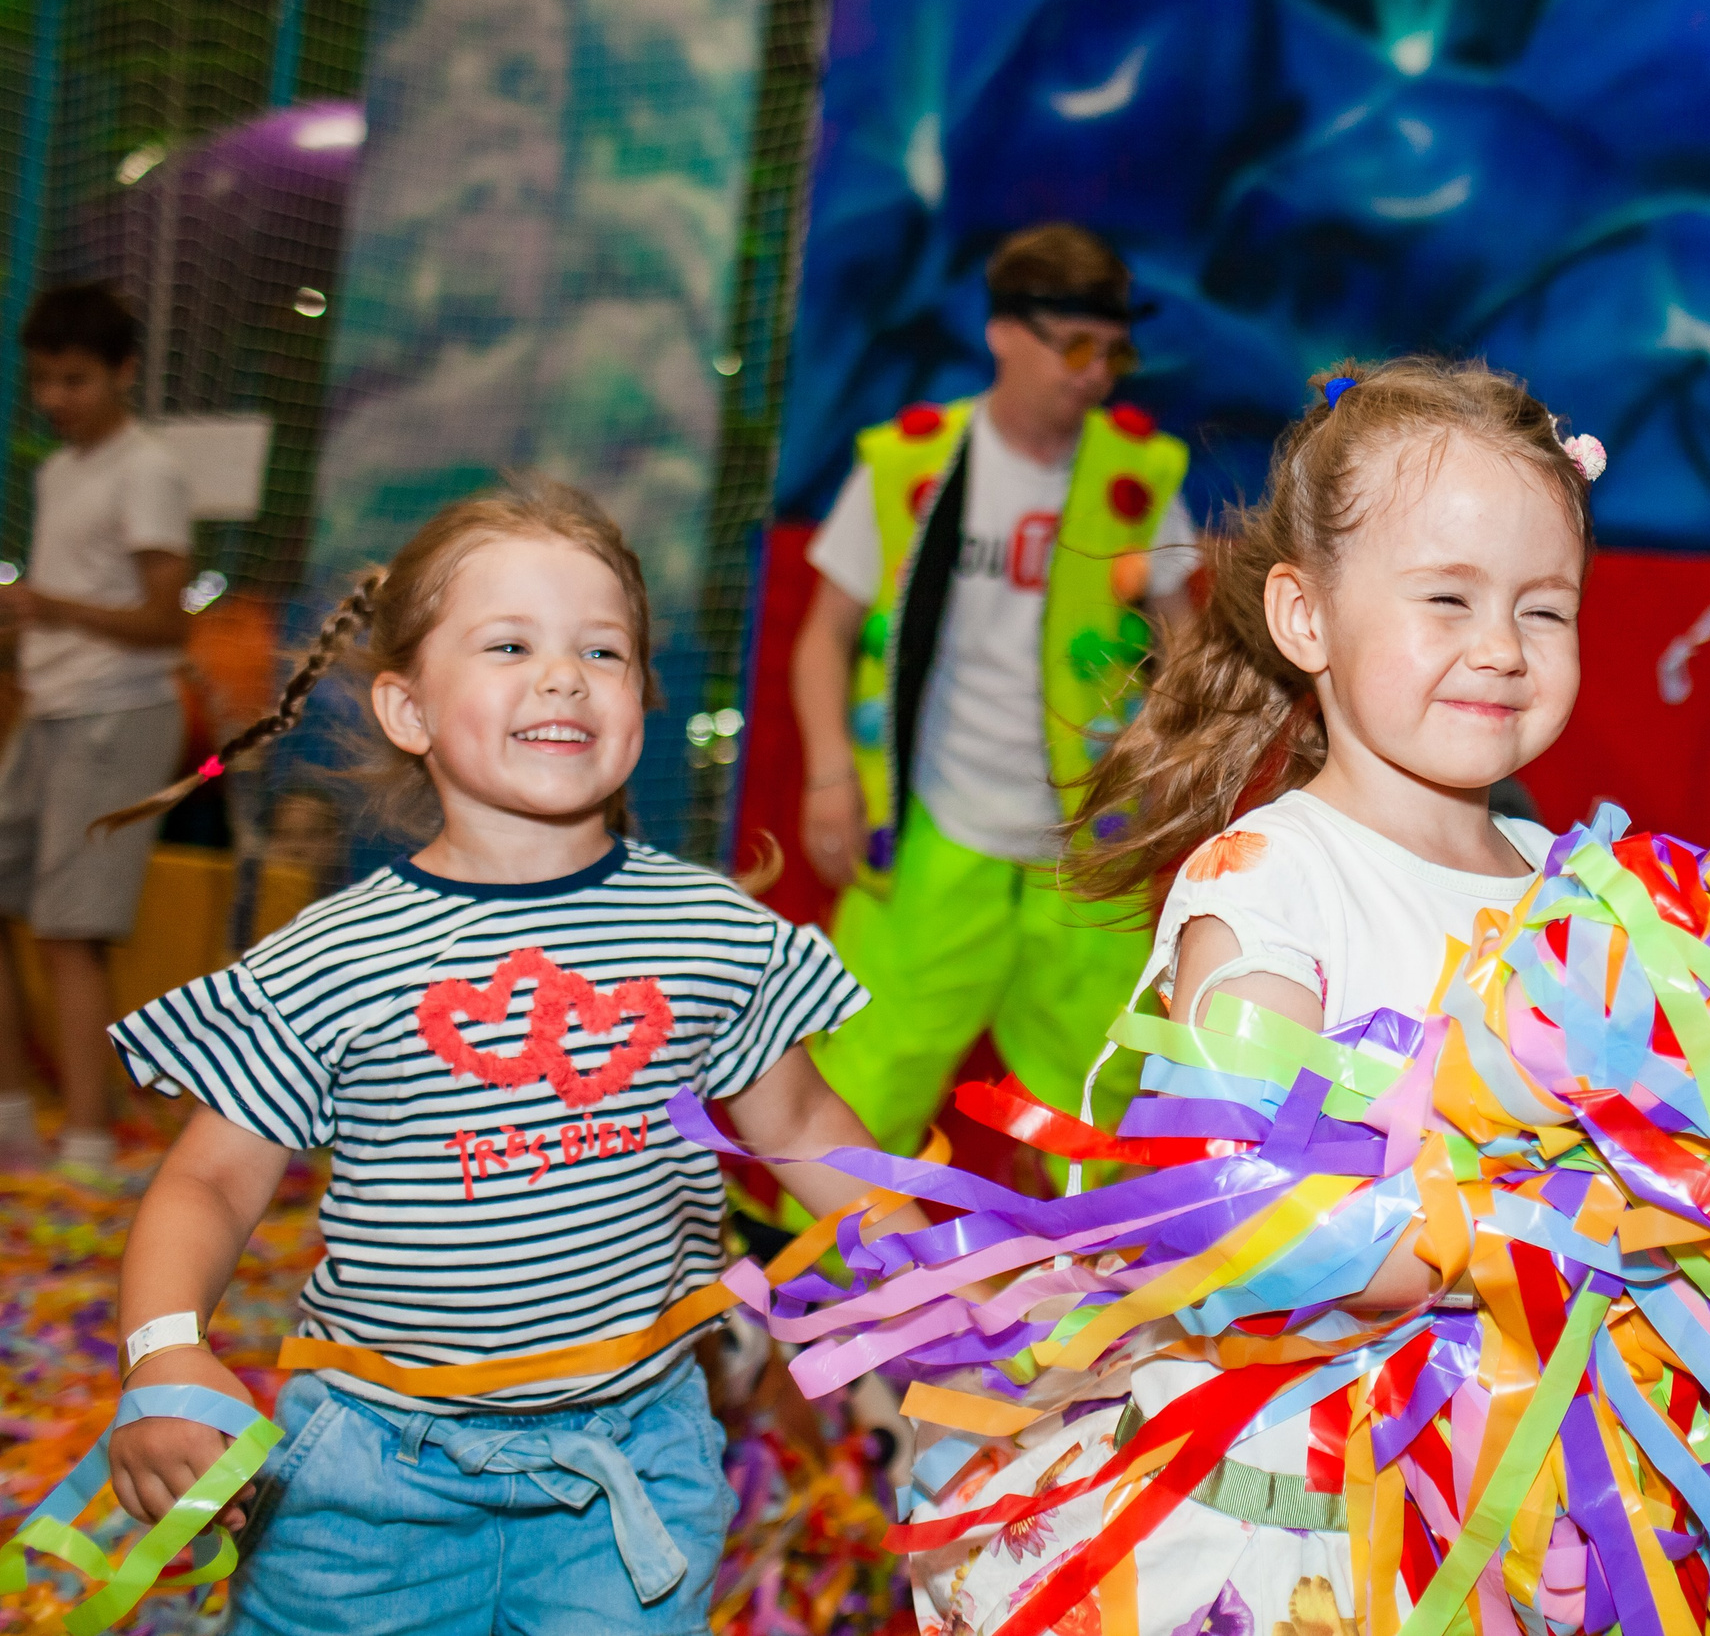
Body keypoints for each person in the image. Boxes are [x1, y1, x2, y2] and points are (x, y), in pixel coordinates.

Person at [94, 481, 920, 1634]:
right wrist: (163, 1350)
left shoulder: (708, 930)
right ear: (408, 708)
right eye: (509, 645)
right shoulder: (335, 954)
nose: (563, 675)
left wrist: (950, 1282)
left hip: (632, 1466)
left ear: (641, 697)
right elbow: (211, 1180)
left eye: (603, 649)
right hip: (370, 1476)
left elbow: (802, 1128)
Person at [906, 355, 1601, 1635]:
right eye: (1446, 598)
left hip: (1516, 1479)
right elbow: (1236, 1201)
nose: (1501, 648)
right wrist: (1520, 1243)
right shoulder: (1272, 879)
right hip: (1311, 1488)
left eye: (1543, 609)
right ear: (1305, 618)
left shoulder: (1583, 885)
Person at [790, 222, 1196, 1158]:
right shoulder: (908, 466)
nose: (1096, 374)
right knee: (870, 1064)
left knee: (1100, 1088)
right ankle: (817, 1243)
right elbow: (824, 635)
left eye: (1115, 352)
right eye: (1076, 347)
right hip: (936, 828)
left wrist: (1173, 754)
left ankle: (1088, 1248)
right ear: (1004, 332)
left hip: (1087, 842)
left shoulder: (1137, 474)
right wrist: (828, 773)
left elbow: (1186, 639)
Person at [0, 283, 193, 1179]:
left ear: (123, 371)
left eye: (74, 379)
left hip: (119, 711)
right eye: (43, 379)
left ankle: (87, 1143)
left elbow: (167, 623)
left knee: (70, 928)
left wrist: (51, 606)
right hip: (50, 708)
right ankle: (12, 1118)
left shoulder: (146, 469)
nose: (55, 398)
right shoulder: (59, 472)